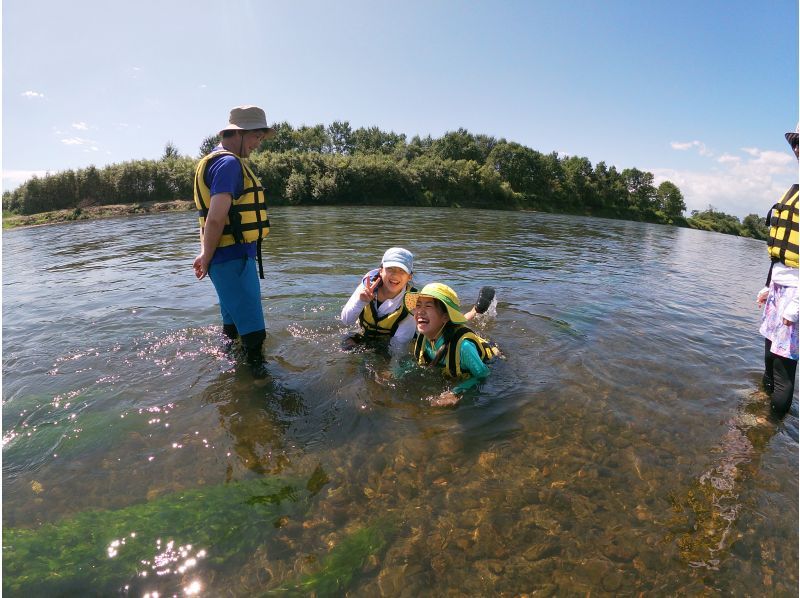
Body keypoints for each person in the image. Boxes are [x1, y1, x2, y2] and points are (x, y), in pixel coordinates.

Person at [193, 105, 275, 370]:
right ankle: (259, 390)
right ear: (239, 133)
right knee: (254, 335)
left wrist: (205, 253)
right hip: (234, 259)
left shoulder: (213, 160)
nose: (257, 144)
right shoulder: (228, 163)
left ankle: (230, 380)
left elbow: (206, 220)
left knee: (232, 330)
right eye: (256, 137)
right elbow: (215, 217)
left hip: (222, 260)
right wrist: (206, 256)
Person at [756, 127, 799, 415]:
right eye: (797, 143)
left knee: (783, 367)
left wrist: (795, 307)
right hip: (779, 288)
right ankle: (759, 408)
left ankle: (769, 425)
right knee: (769, 358)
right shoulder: (795, 191)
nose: (797, 149)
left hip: (796, 296)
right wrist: (768, 286)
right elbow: (781, 255)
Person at [404, 283, 500, 406]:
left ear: (445, 316)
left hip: (491, 354)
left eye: (428, 306)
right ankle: (474, 311)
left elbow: (483, 374)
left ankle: (476, 310)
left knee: (459, 328)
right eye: (418, 305)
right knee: (458, 324)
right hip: (448, 329)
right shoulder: (424, 335)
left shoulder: (464, 347)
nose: (420, 312)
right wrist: (395, 372)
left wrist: (456, 392)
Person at [340, 247, 418, 355]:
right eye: (390, 268)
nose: (395, 275)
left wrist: (387, 368)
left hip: (392, 343)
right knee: (346, 346)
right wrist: (361, 302)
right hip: (366, 335)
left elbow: (400, 345)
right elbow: (346, 321)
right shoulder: (367, 285)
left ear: (409, 277)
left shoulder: (412, 302)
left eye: (402, 271)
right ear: (381, 271)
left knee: (384, 368)